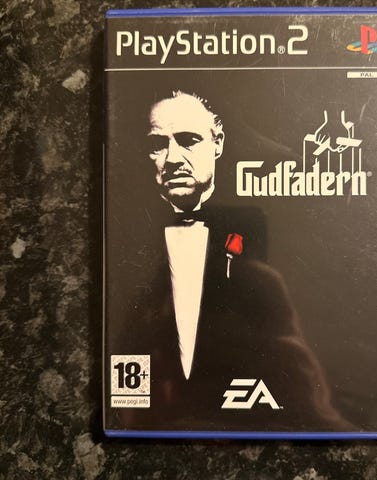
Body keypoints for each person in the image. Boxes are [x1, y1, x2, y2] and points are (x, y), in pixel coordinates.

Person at [110, 91, 350, 432]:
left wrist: (307, 399)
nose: (173, 158)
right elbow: (127, 408)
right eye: (158, 144)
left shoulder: (291, 258)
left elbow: (332, 422)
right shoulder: (132, 267)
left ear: (217, 143)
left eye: (189, 140)